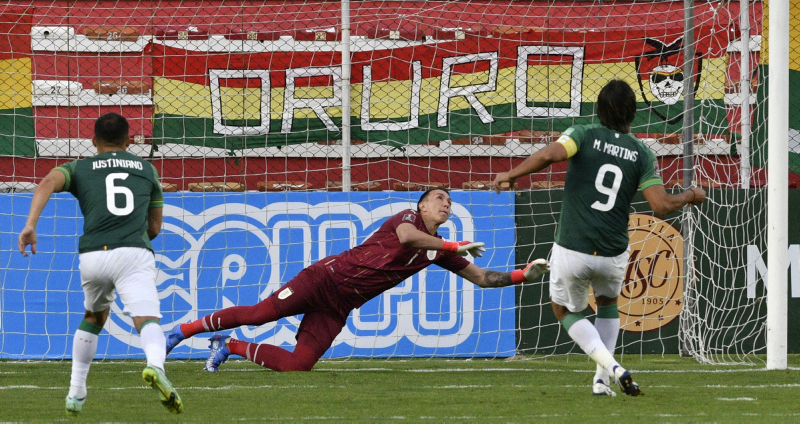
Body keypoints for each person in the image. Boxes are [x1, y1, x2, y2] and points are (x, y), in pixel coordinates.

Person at [165, 187, 549, 373]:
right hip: (322, 279)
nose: (446, 204)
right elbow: (406, 239)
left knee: (299, 365)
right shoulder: (408, 220)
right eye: (439, 199)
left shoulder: (439, 250)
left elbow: (483, 278)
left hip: (338, 305)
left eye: (450, 202)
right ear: (422, 205)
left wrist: (522, 275)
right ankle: (182, 331)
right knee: (259, 313)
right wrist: (452, 245)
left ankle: (230, 347)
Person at [493, 79, 706, 397]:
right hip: (613, 253)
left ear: (598, 110)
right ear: (633, 113)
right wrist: (690, 194)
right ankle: (601, 380)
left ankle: (613, 368)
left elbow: (551, 155)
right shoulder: (642, 153)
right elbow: (661, 205)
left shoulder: (583, 133)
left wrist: (512, 174)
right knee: (607, 304)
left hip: (573, 247)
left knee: (564, 310)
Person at [17, 112, 183, 416]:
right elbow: (156, 228)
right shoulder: (147, 170)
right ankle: (156, 367)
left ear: (93, 141)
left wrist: (30, 225)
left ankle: (75, 392)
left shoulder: (80, 167)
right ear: (129, 140)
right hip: (133, 252)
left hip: (93, 255)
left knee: (93, 316)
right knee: (146, 318)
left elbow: (47, 182)